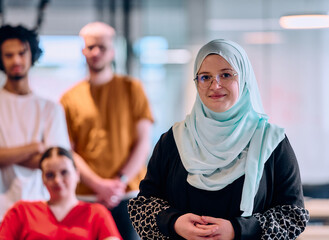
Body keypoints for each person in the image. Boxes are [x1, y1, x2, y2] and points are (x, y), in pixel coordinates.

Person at [128, 39, 310, 239]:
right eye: (205, 77)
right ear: (197, 83)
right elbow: (142, 207)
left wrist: (237, 230)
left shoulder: (271, 141)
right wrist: (175, 223)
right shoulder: (173, 140)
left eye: (226, 74)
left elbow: (294, 217)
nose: (215, 85)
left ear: (244, 78)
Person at [60, 22, 153, 240]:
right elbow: (68, 151)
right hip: (86, 195)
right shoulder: (69, 98)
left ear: (112, 51)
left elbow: (143, 141)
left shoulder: (133, 89)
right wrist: (98, 185)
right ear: (83, 51)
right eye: (90, 47)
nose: (95, 52)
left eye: (102, 47)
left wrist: (118, 182)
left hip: (128, 193)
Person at [0, 25, 70, 222]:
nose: (16, 60)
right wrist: (35, 147)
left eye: (22, 53)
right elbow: (44, 158)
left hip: (42, 209)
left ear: (32, 54)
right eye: (9, 55)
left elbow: (56, 163)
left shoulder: (50, 108)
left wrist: (6, 154)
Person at [0, 146, 122, 240]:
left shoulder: (96, 213)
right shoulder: (22, 211)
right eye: (50, 175)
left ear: (77, 175)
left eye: (64, 172)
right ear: (42, 179)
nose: (57, 180)